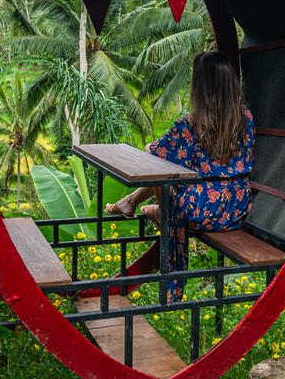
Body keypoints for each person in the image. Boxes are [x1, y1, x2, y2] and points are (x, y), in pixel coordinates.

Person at [106, 51, 255, 302]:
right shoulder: (246, 118)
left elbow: (150, 154)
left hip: (199, 211)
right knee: (167, 171)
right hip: (235, 208)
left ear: (200, 86)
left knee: (159, 168)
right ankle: (133, 202)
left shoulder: (192, 124)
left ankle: (148, 208)